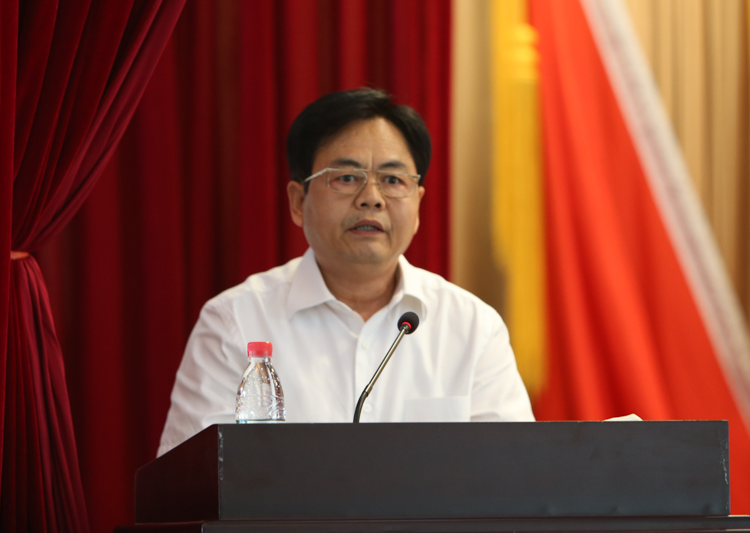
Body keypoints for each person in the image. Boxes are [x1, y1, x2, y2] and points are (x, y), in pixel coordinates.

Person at [157, 88, 534, 456]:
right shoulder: (235, 322)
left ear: (418, 203)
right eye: (347, 177)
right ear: (298, 201)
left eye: (393, 180)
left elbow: (515, 474)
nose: (371, 198)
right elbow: (192, 485)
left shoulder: (473, 328)